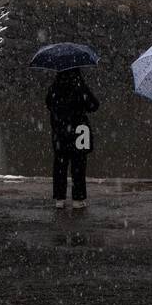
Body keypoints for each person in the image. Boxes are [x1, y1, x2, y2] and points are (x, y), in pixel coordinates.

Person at [45, 67, 99, 209]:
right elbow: (94, 106)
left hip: (60, 132)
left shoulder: (54, 88)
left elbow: (48, 104)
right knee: (78, 166)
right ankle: (78, 199)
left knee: (60, 166)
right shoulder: (80, 87)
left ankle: (59, 198)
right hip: (80, 132)